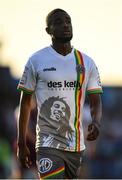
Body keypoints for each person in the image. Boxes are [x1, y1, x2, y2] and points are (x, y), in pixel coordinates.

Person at [17, 8, 103, 179]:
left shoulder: (87, 62)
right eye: (58, 22)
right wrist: (21, 142)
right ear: (48, 30)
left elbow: (95, 100)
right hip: (47, 144)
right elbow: (25, 103)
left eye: (68, 21)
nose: (65, 25)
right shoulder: (36, 60)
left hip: (76, 146)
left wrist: (96, 122)